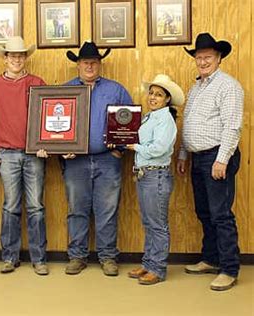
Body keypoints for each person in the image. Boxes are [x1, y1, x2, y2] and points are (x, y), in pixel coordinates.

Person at [57, 41, 132, 276]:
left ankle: (108, 256)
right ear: (78, 65)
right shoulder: (65, 90)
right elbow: (55, 126)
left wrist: (120, 148)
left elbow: (129, 121)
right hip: (75, 161)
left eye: (94, 62)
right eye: (85, 62)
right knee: (76, 209)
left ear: (99, 64)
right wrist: (60, 147)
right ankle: (77, 256)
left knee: (107, 209)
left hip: (107, 160)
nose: (90, 66)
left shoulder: (116, 89)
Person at [177, 33, 244, 291]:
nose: (202, 61)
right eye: (199, 57)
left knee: (221, 215)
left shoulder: (228, 86)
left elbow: (232, 126)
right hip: (198, 157)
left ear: (218, 58)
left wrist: (222, 159)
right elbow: (189, 123)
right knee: (204, 212)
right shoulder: (196, 87)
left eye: (207, 57)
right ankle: (211, 259)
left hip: (217, 156)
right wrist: (184, 154)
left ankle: (229, 268)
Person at [0, 36, 48, 275]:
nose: (17, 59)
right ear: (5, 58)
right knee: (11, 206)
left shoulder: (38, 83)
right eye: (12, 55)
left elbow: (47, 119)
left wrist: (46, 144)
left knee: (36, 206)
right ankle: (9, 257)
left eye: (21, 55)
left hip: (34, 154)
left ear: (25, 58)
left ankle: (38, 258)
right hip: (6, 154)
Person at [125, 74, 185, 285]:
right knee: (149, 222)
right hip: (145, 173)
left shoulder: (166, 119)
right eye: (151, 93)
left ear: (167, 99)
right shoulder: (151, 116)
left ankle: (157, 269)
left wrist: (135, 147)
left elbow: (160, 149)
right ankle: (149, 263)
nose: (152, 97)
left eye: (158, 94)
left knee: (157, 224)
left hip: (156, 174)